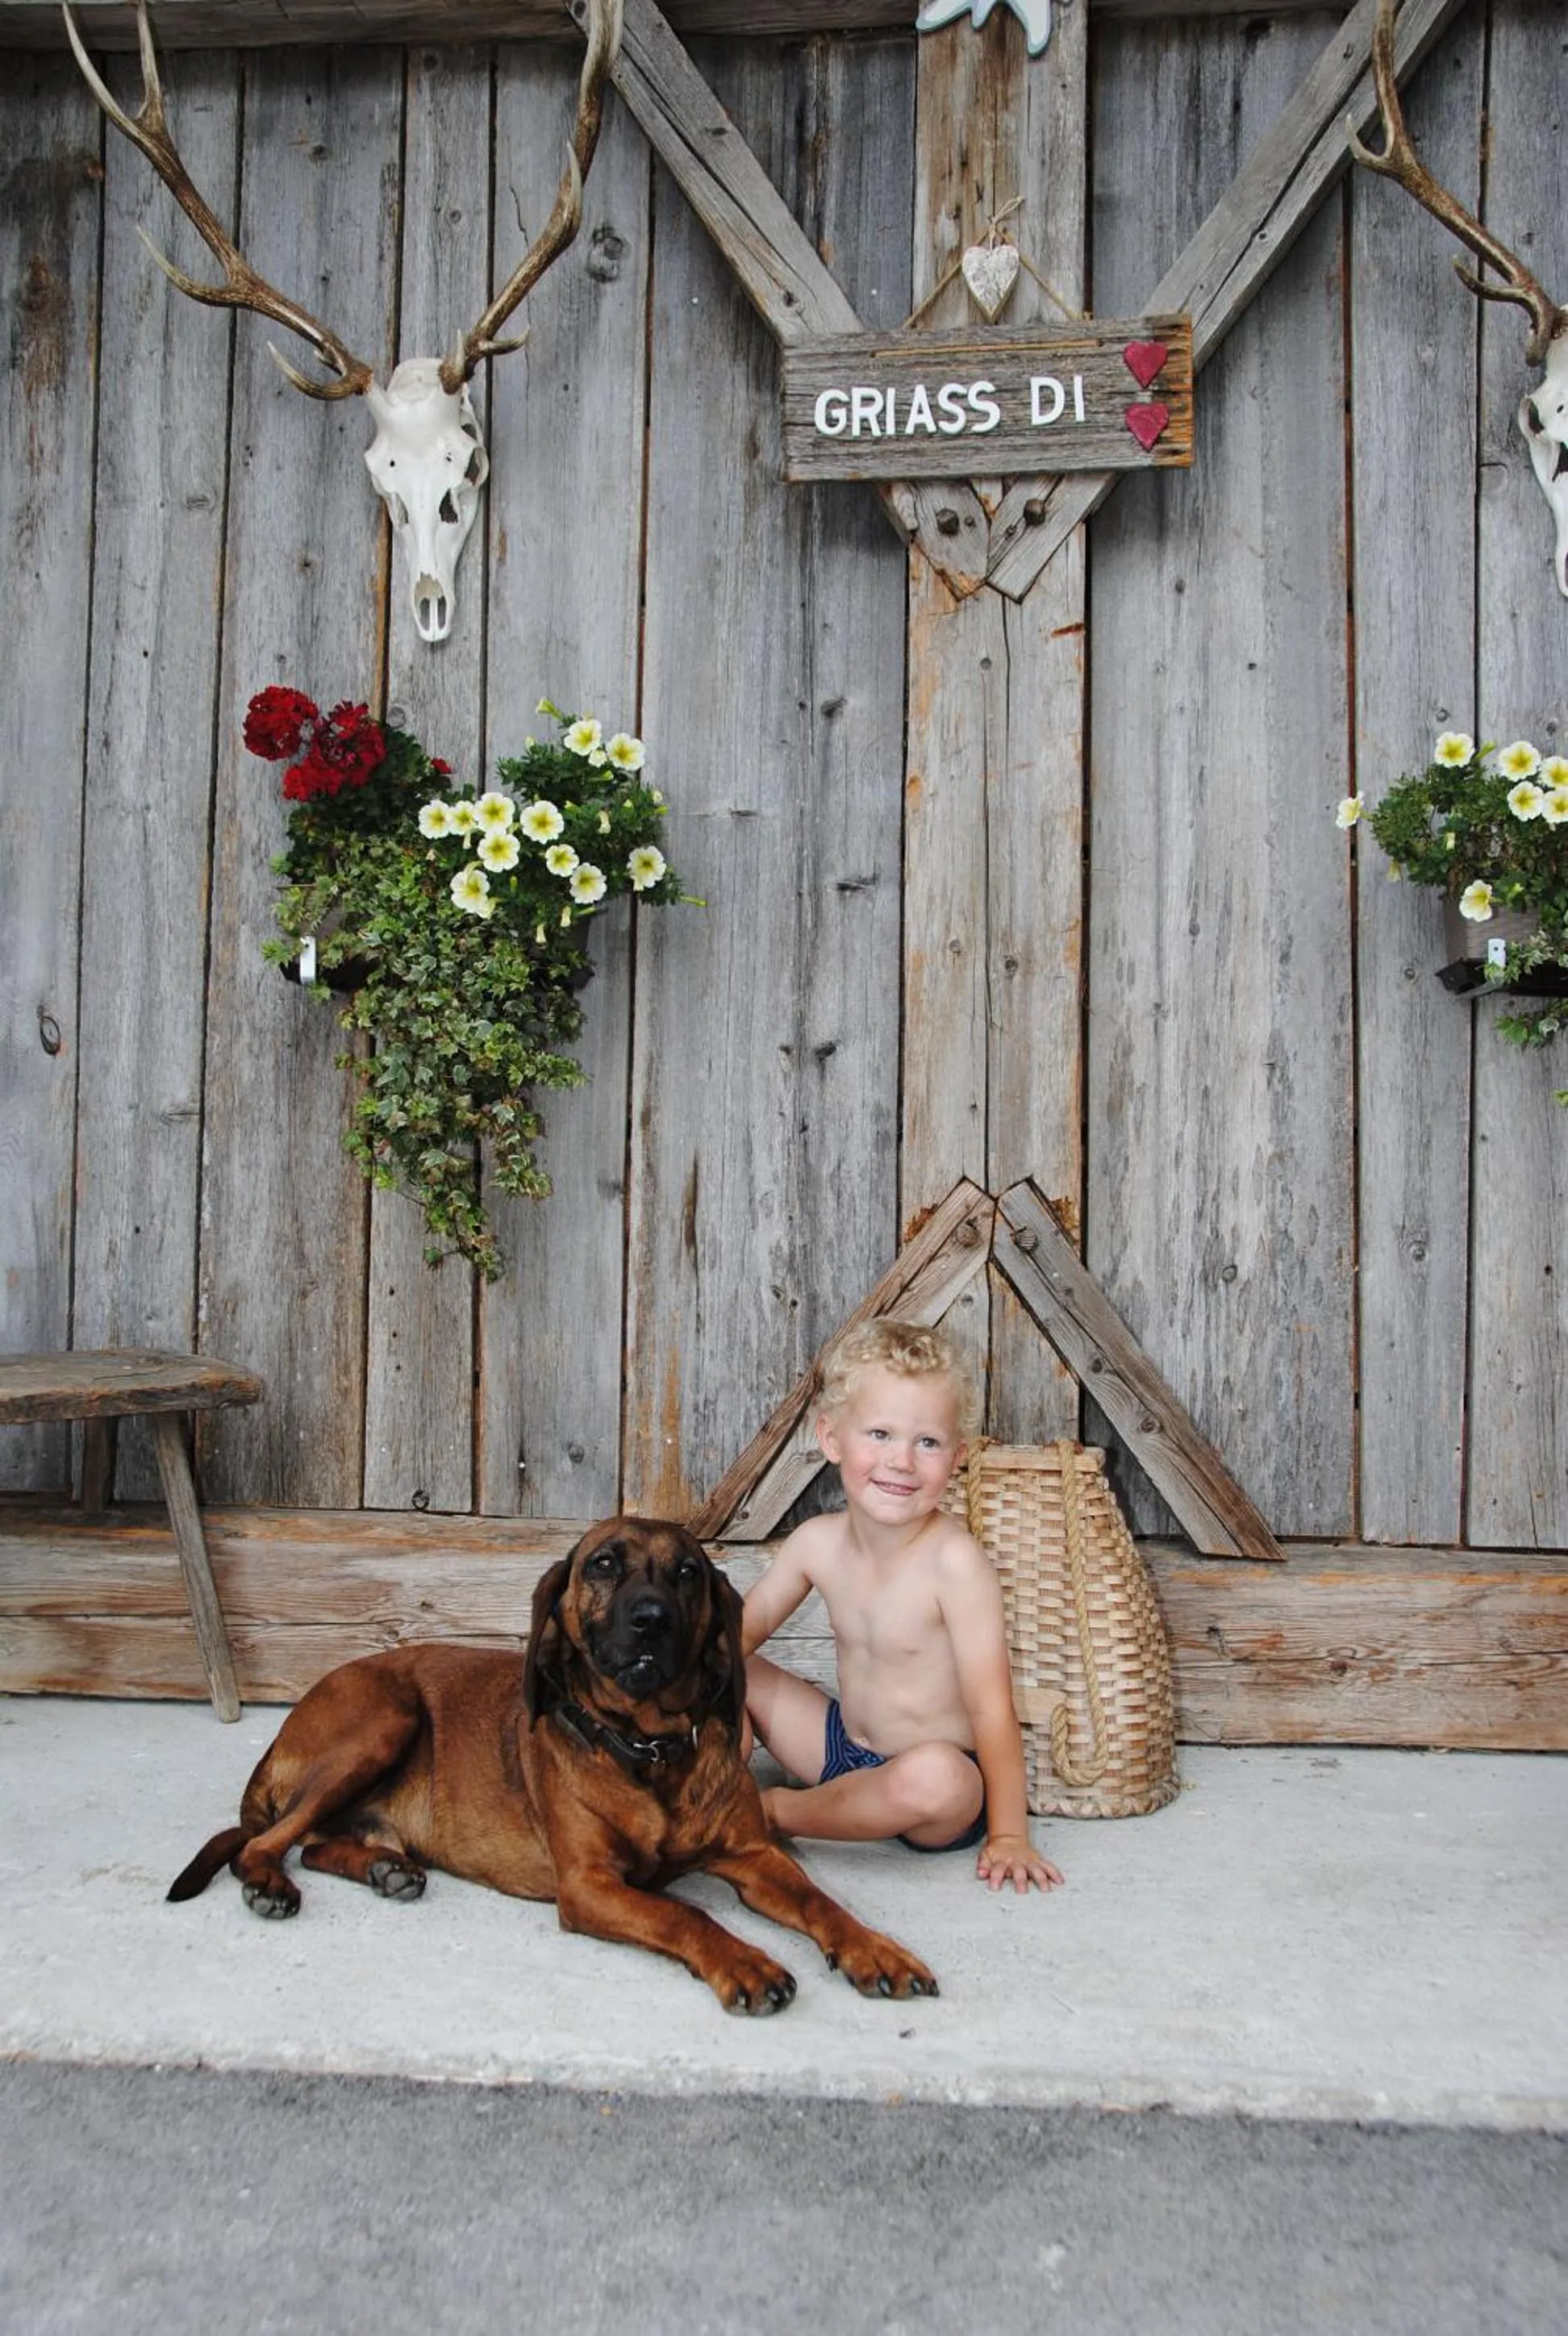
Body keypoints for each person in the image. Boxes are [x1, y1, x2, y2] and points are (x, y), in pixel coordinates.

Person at [742, 1320, 1063, 1894]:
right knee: (724, 1667)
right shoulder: (816, 1542)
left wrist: (1010, 1833)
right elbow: (742, 1630)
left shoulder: (955, 1565)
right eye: (880, 1434)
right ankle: (706, 1784)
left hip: (929, 1786)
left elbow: (992, 1710)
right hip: (839, 1746)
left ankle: (769, 1813)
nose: (902, 1461)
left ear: (956, 1457)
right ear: (832, 1438)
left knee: (939, 1778)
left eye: (928, 1442)